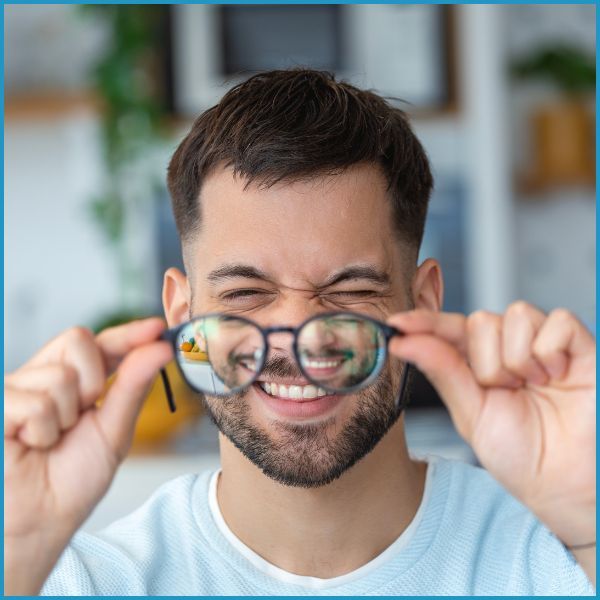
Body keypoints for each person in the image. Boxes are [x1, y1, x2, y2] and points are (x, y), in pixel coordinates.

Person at [4, 69, 595, 596]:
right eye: (245, 293)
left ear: (425, 302)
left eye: (349, 290)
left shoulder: (560, 557)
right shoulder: (76, 582)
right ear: (181, 313)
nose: (294, 334)